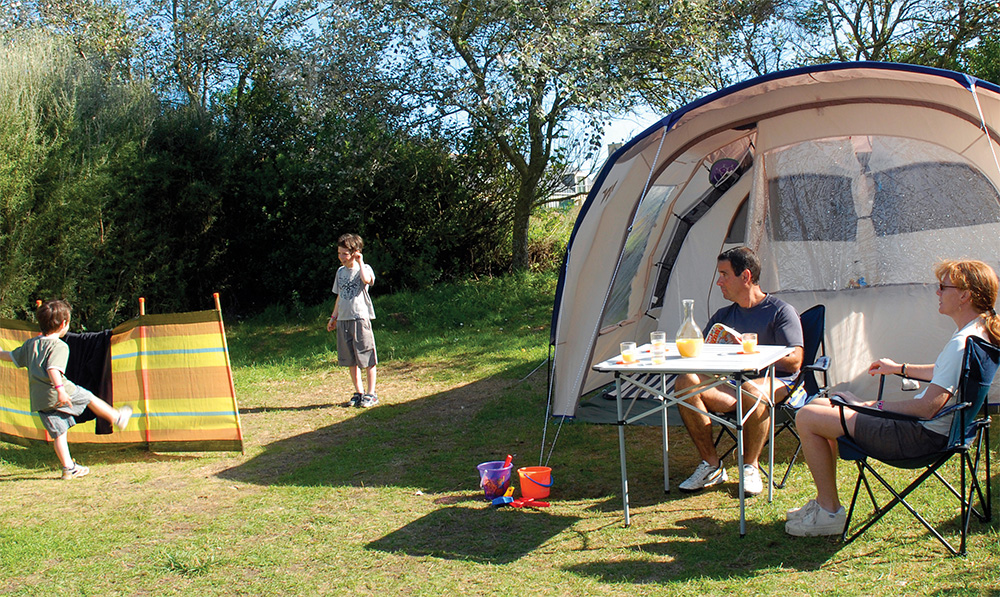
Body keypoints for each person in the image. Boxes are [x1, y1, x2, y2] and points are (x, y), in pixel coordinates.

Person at [787, 259, 1000, 537]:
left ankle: (828, 511)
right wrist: (899, 368)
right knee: (819, 405)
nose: (937, 293)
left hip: (918, 438)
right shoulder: (979, 334)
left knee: (807, 415)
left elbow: (927, 408)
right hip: (945, 433)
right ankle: (823, 503)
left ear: (964, 295)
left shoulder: (961, 343)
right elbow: (946, 373)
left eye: (942, 287)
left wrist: (866, 406)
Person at [676, 247, 804, 496]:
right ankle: (712, 465)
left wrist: (752, 353)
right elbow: (701, 354)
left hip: (775, 383)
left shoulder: (780, 311)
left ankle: (750, 466)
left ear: (745, 276)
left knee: (751, 388)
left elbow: (796, 361)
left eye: (724, 274)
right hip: (731, 384)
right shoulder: (723, 315)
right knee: (685, 381)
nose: (718, 282)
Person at [0, 299, 132, 479]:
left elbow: (10, 356)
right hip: (61, 391)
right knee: (90, 397)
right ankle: (117, 417)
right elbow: (53, 369)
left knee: (59, 433)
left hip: (40, 399)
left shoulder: (31, 345)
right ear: (64, 324)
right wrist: (60, 390)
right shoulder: (59, 346)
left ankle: (68, 468)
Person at [327, 233, 379, 407]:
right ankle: (359, 392)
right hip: (344, 320)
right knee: (350, 359)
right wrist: (334, 317)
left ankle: (371, 394)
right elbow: (340, 296)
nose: (341, 257)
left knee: (367, 357)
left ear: (355, 252)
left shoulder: (365, 268)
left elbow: (366, 280)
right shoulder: (340, 272)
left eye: (345, 254)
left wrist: (360, 261)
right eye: (339, 253)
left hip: (360, 318)